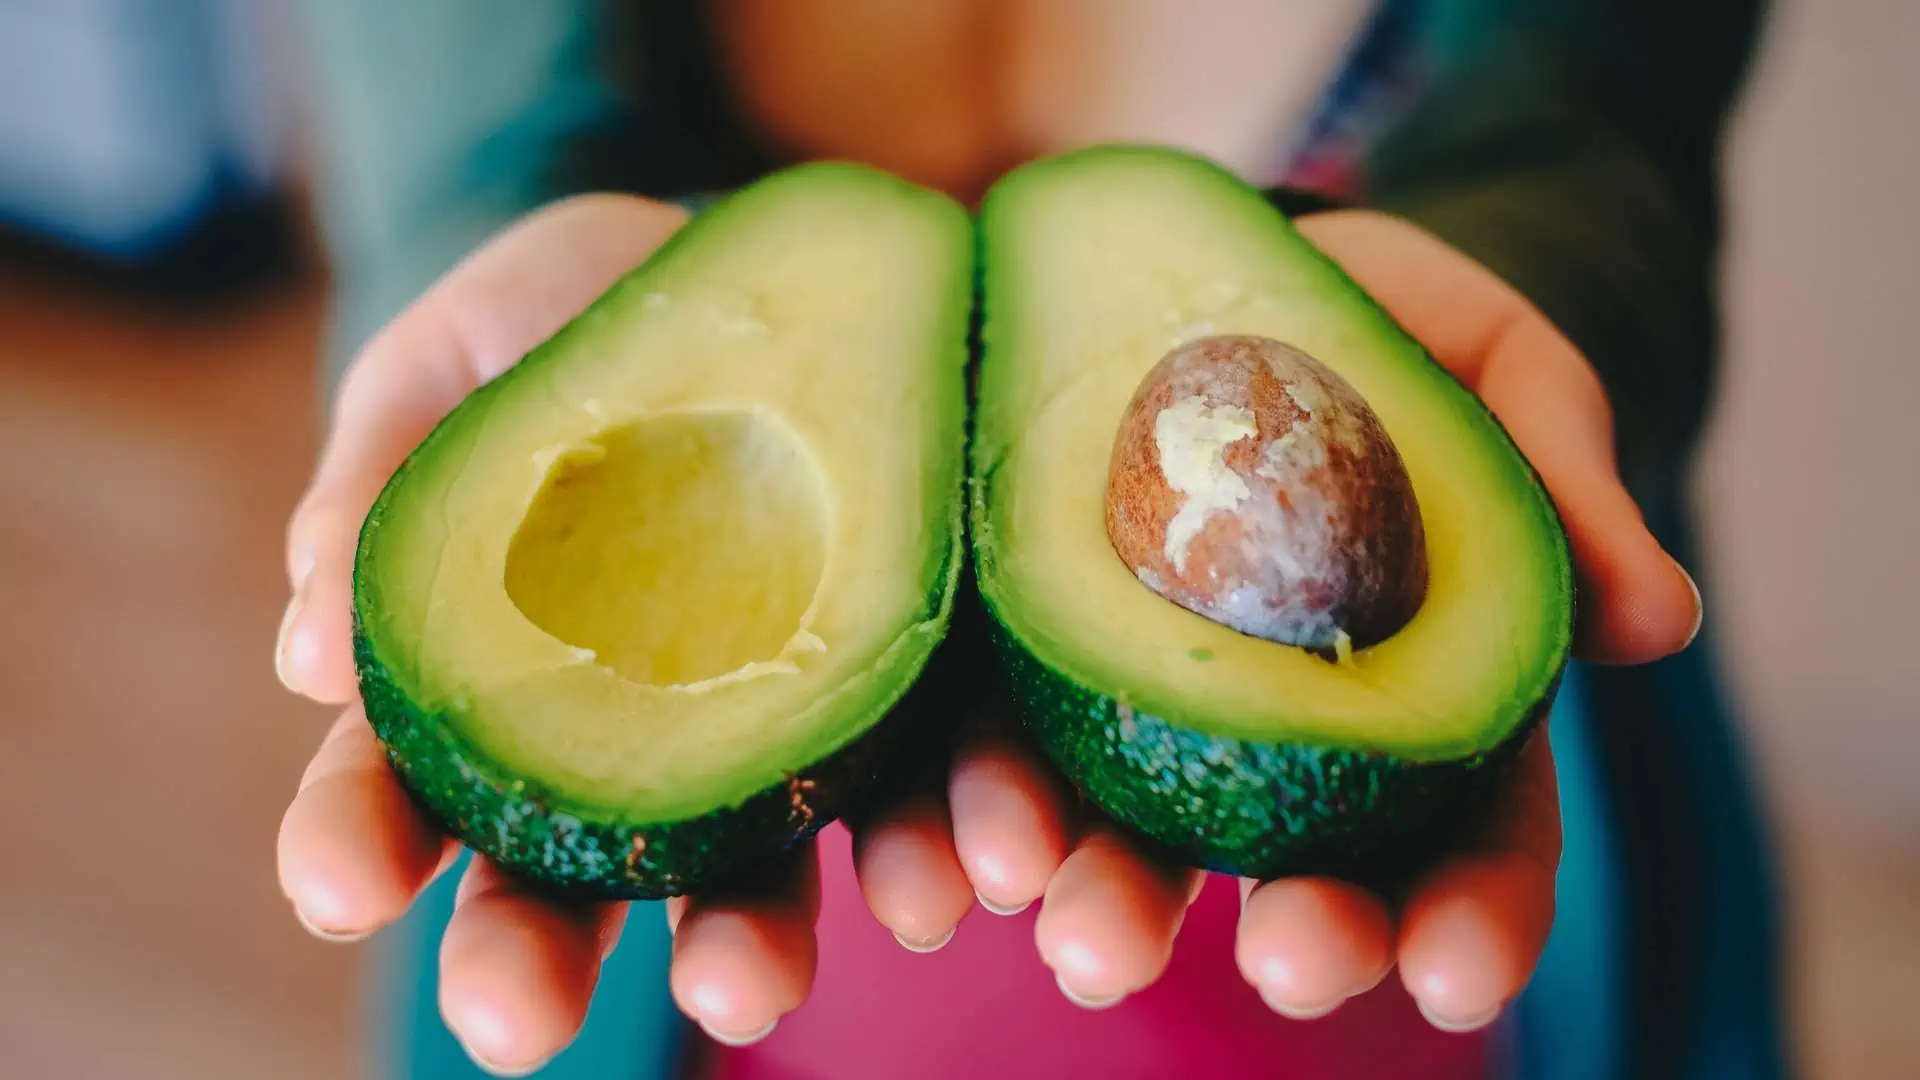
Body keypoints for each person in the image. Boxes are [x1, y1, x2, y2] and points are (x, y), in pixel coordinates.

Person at [273, 2, 1785, 1076]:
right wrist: (486, 253)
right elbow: (454, 117)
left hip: (1396, 925)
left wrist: (1533, 291)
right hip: (727, 945)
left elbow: (1602, 124)